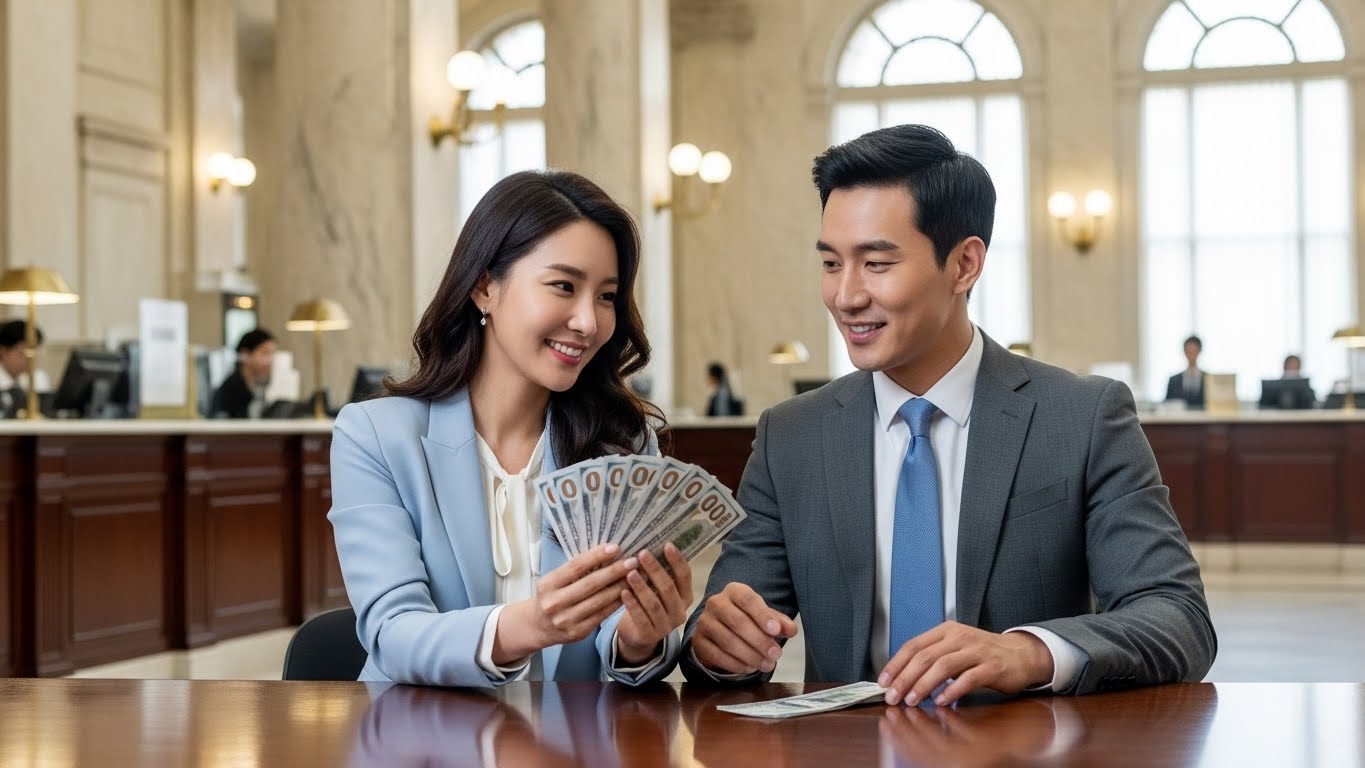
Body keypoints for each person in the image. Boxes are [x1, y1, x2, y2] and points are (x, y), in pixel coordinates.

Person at [681, 125, 1214, 707]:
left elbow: (1177, 618)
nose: (845, 295)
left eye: (876, 263)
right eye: (831, 263)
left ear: (964, 265)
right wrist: (716, 647)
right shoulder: (793, 437)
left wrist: (1028, 651)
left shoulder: (1082, 418)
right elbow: (723, 636)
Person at [328, 170, 693, 687]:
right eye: (563, 286)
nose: (589, 322)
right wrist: (531, 625)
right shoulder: (376, 437)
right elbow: (392, 631)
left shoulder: (624, 441)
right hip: (419, 744)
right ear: (484, 287)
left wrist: (638, 639)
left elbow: (626, 638)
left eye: (607, 296)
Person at [211, 328, 276, 418]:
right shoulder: (231, 389)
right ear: (245, 354)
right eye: (265, 353)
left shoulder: (260, 386)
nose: (270, 360)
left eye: (272, 354)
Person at [0, 320, 50, 416]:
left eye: (35, 352)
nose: (30, 359)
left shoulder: (38, 378)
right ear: (3, 350)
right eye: (23, 352)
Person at [1164, 335, 1205, 407]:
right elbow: (1167, 405)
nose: (1191, 355)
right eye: (1189, 351)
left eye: (1194, 351)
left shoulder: (1209, 379)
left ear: (1199, 351)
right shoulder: (1173, 380)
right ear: (1184, 352)